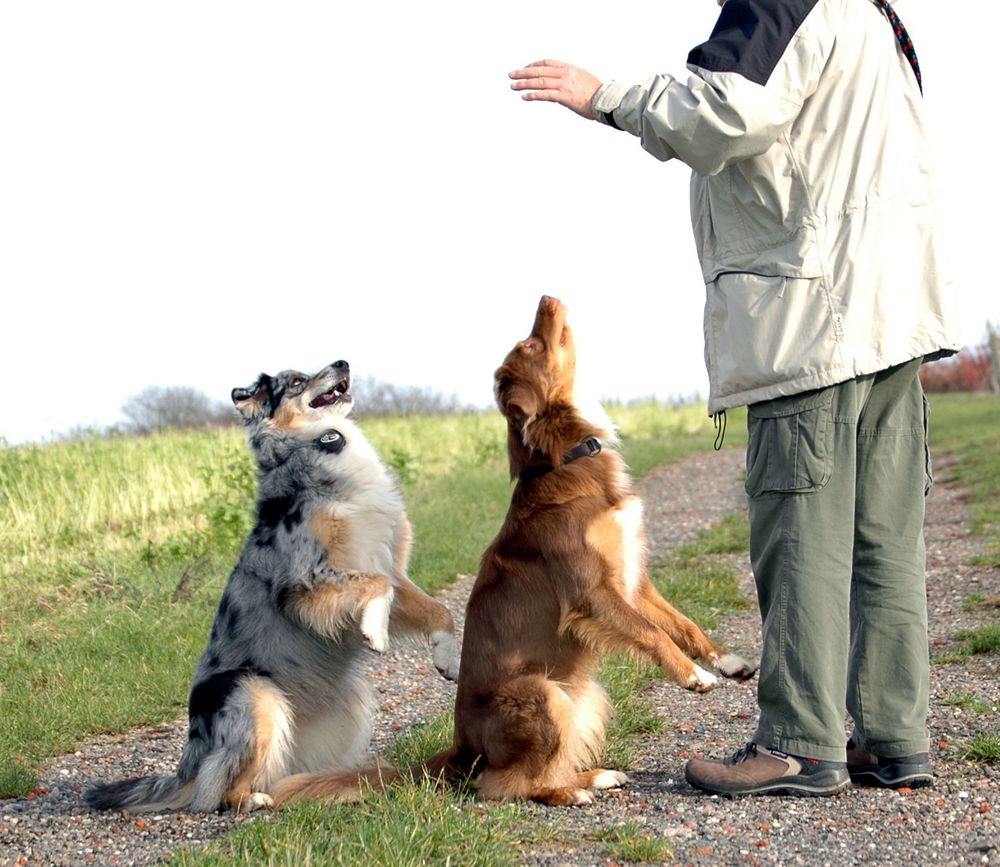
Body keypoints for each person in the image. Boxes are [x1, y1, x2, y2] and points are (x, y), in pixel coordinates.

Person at [510, 0, 960, 797]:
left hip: (814, 317)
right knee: (881, 539)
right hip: (893, 316)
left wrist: (605, 94)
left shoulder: (779, 1)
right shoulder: (874, 10)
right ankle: (895, 737)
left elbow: (724, 112)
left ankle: (798, 742)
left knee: (802, 539)